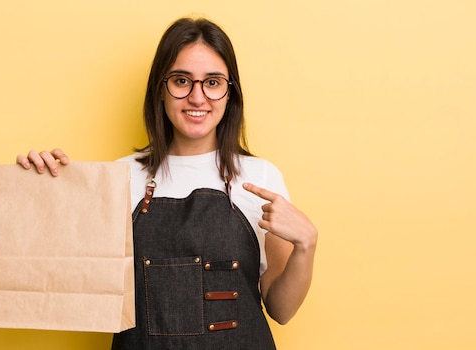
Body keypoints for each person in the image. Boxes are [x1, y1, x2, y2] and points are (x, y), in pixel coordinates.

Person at [17, 17, 317, 349]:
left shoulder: (260, 177)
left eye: (213, 82)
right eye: (181, 80)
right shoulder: (119, 177)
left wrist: (306, 246)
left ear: (230, 93)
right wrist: (42, 191)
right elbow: (74, 289)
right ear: (161, 89)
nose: (197, 97)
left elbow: (282, 309)